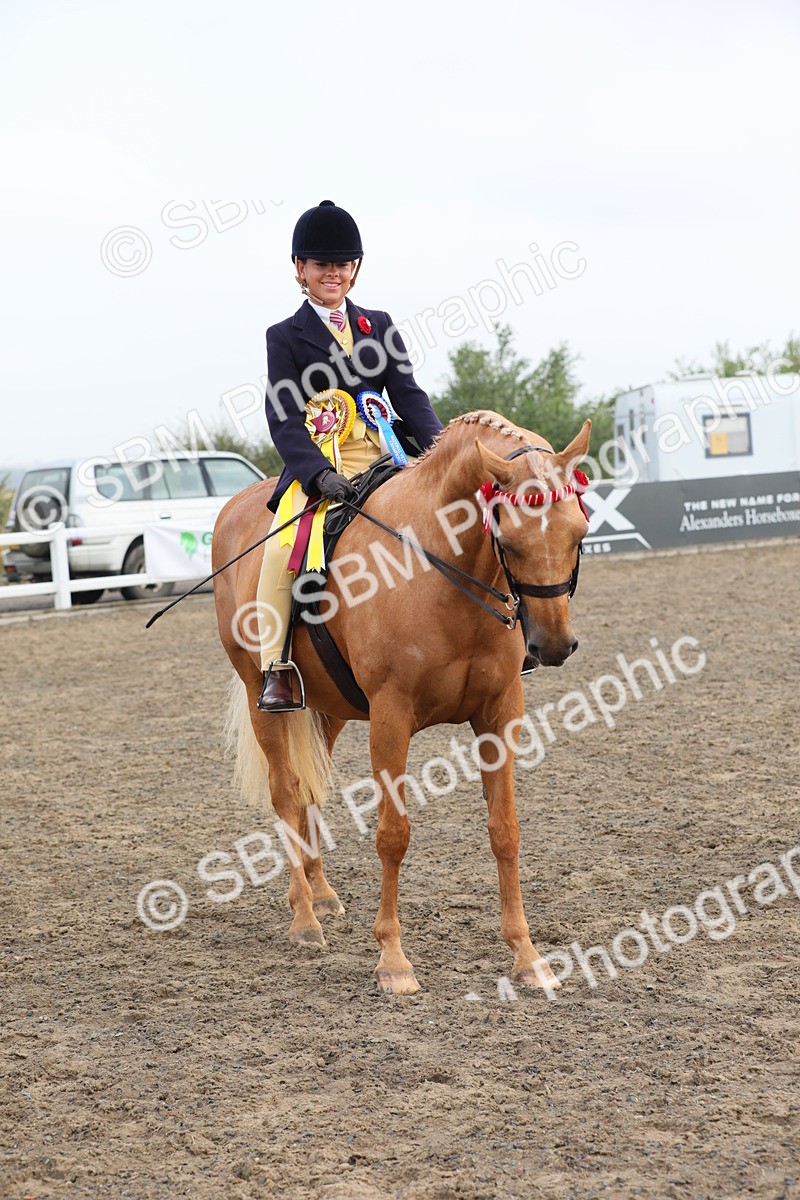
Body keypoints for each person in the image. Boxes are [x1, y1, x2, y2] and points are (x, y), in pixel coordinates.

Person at [255, 200, 443, 712]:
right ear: (301, 270)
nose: (332, 273)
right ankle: (277, 667)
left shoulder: (378, 325)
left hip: (386, 458)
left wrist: (440, 451)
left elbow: (408, 396)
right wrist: (316, 475)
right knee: (280, 552)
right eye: (321, 265)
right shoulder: (284, 337)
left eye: (341, 264)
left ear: (354, 269)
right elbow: (284, 418)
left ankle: (497, 636)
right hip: (324, 468)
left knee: (456, 519)